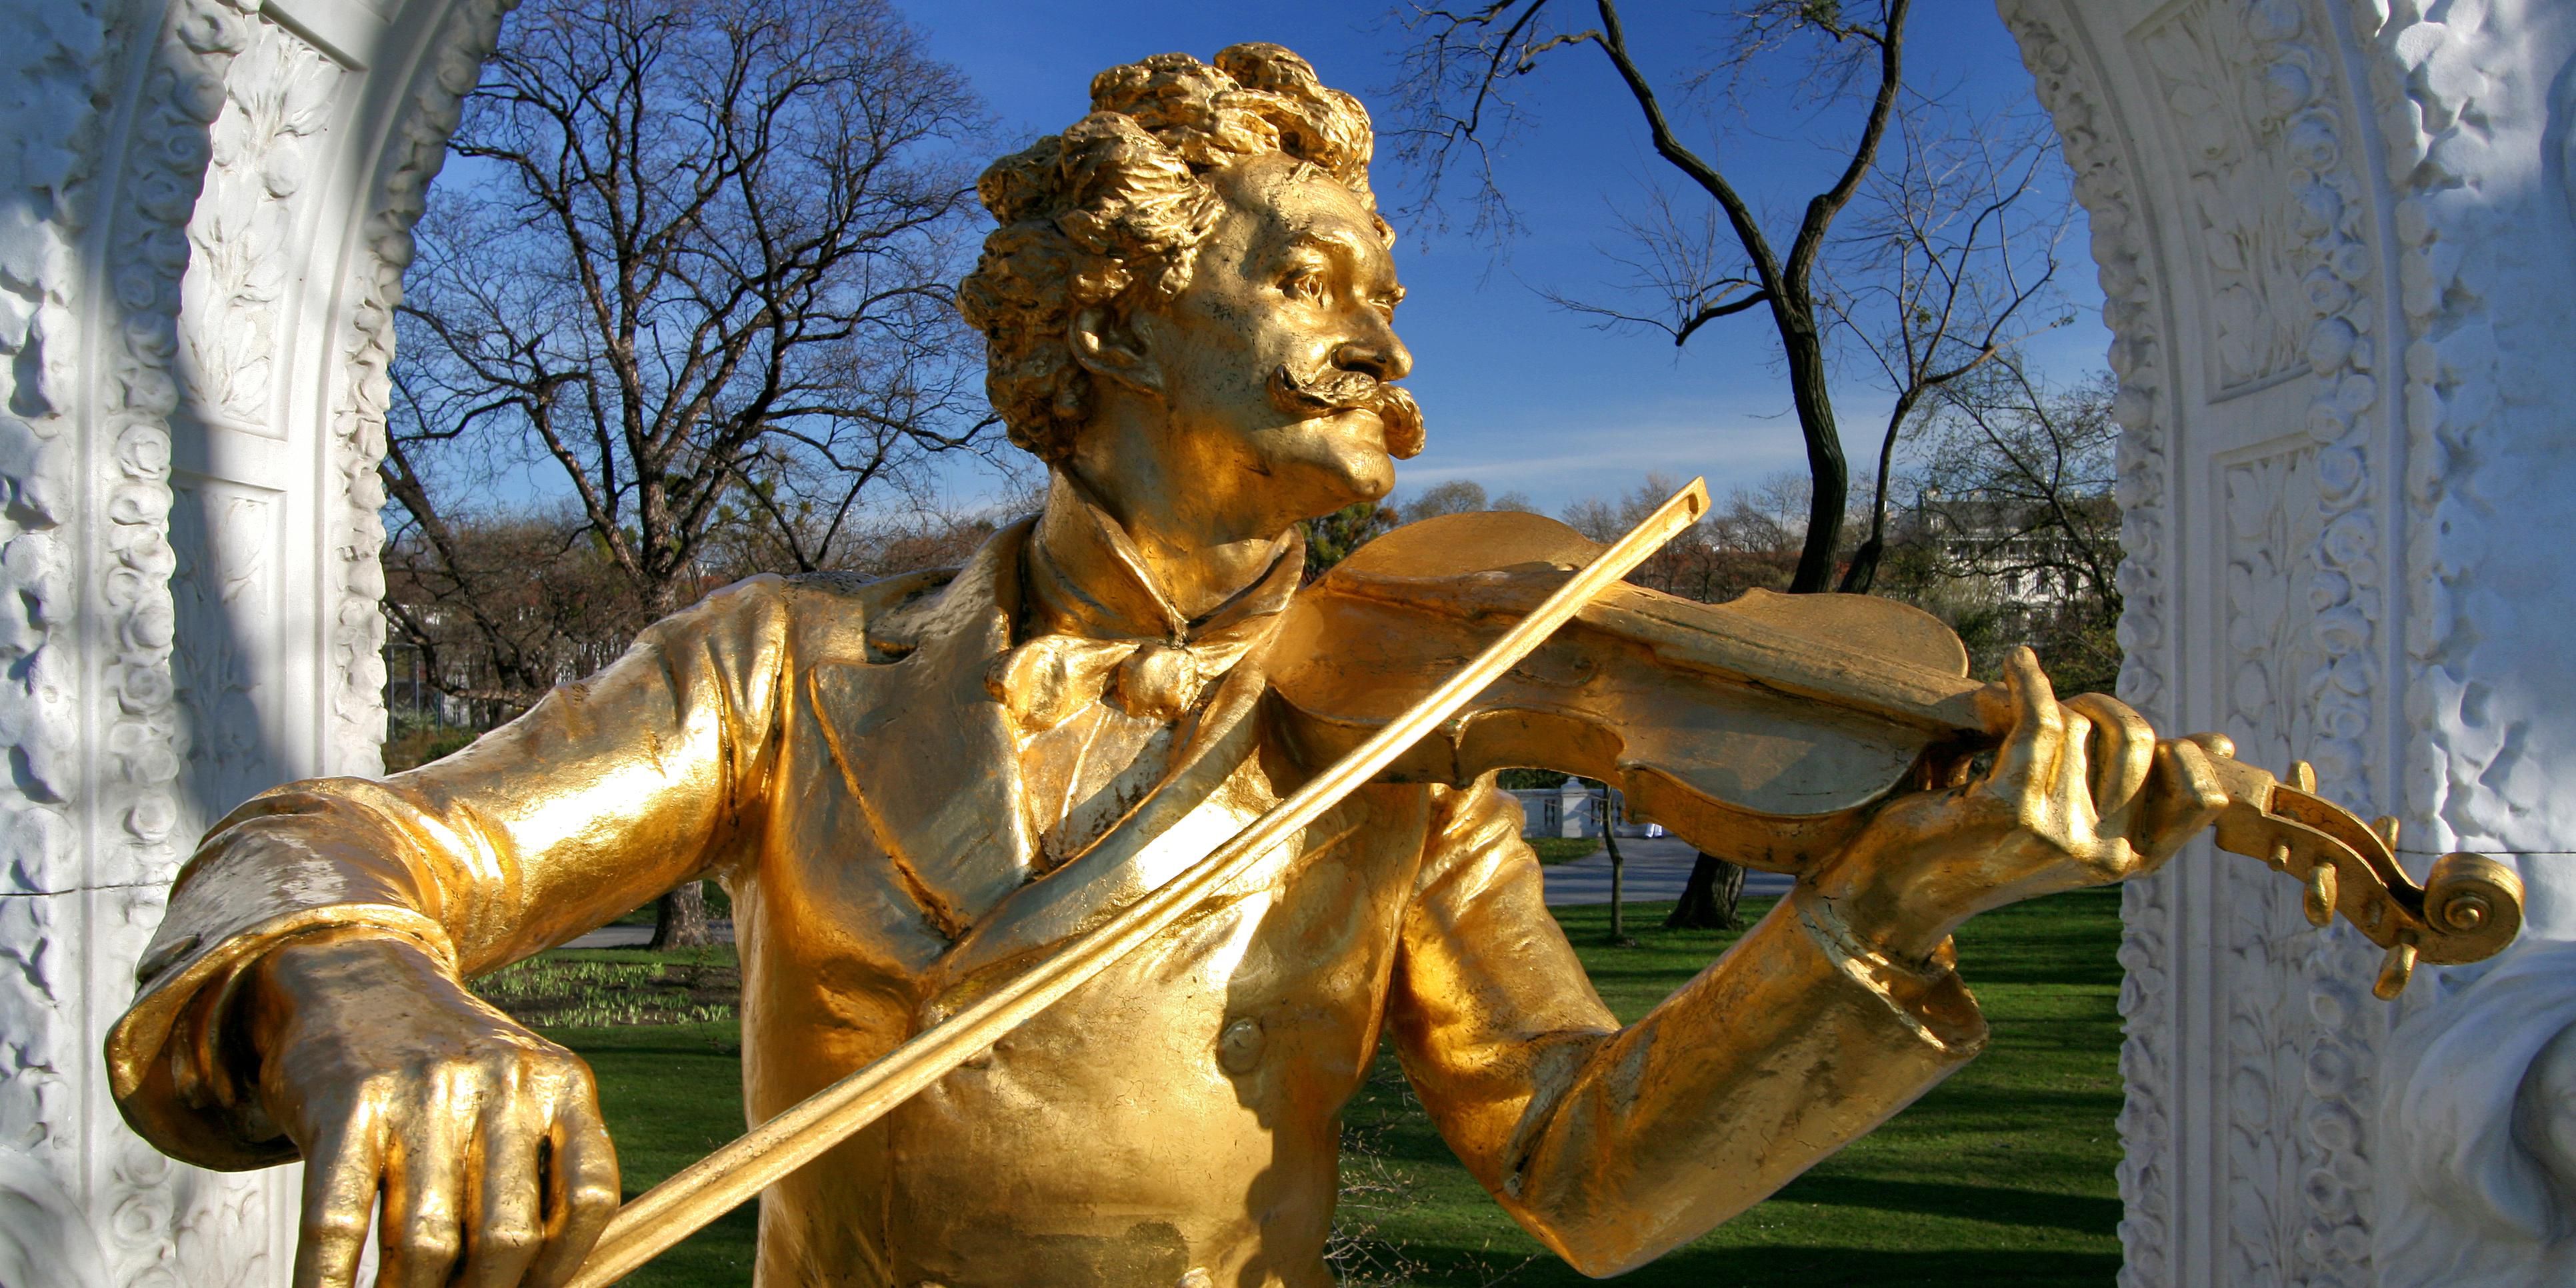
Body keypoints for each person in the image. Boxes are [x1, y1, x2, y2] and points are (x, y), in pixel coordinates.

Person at [105, 45, 2223, 1288]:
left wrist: (1888, 899)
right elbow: (327, 845)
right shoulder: (789, 669)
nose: (1386, 337)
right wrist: (377, 993)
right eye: (1308, 275)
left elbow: (1593, 1164)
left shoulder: (1408, 742)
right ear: (1105, 324)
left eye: (1388, 287)